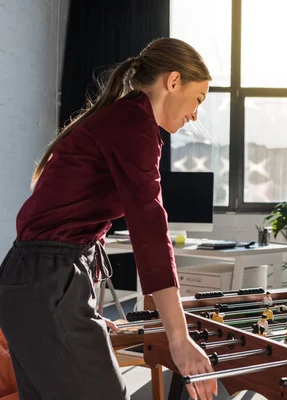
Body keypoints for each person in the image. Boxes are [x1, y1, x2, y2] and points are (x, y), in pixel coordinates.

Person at [0, 38, 217, 400]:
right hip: (47, 287)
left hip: (32, 285)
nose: (196, 114)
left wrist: (79, 307)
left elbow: (58, 222)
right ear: (174, 81)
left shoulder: (122, 118)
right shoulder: (133, 123)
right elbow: (150, 227)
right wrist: (179, 338)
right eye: (199, 99)